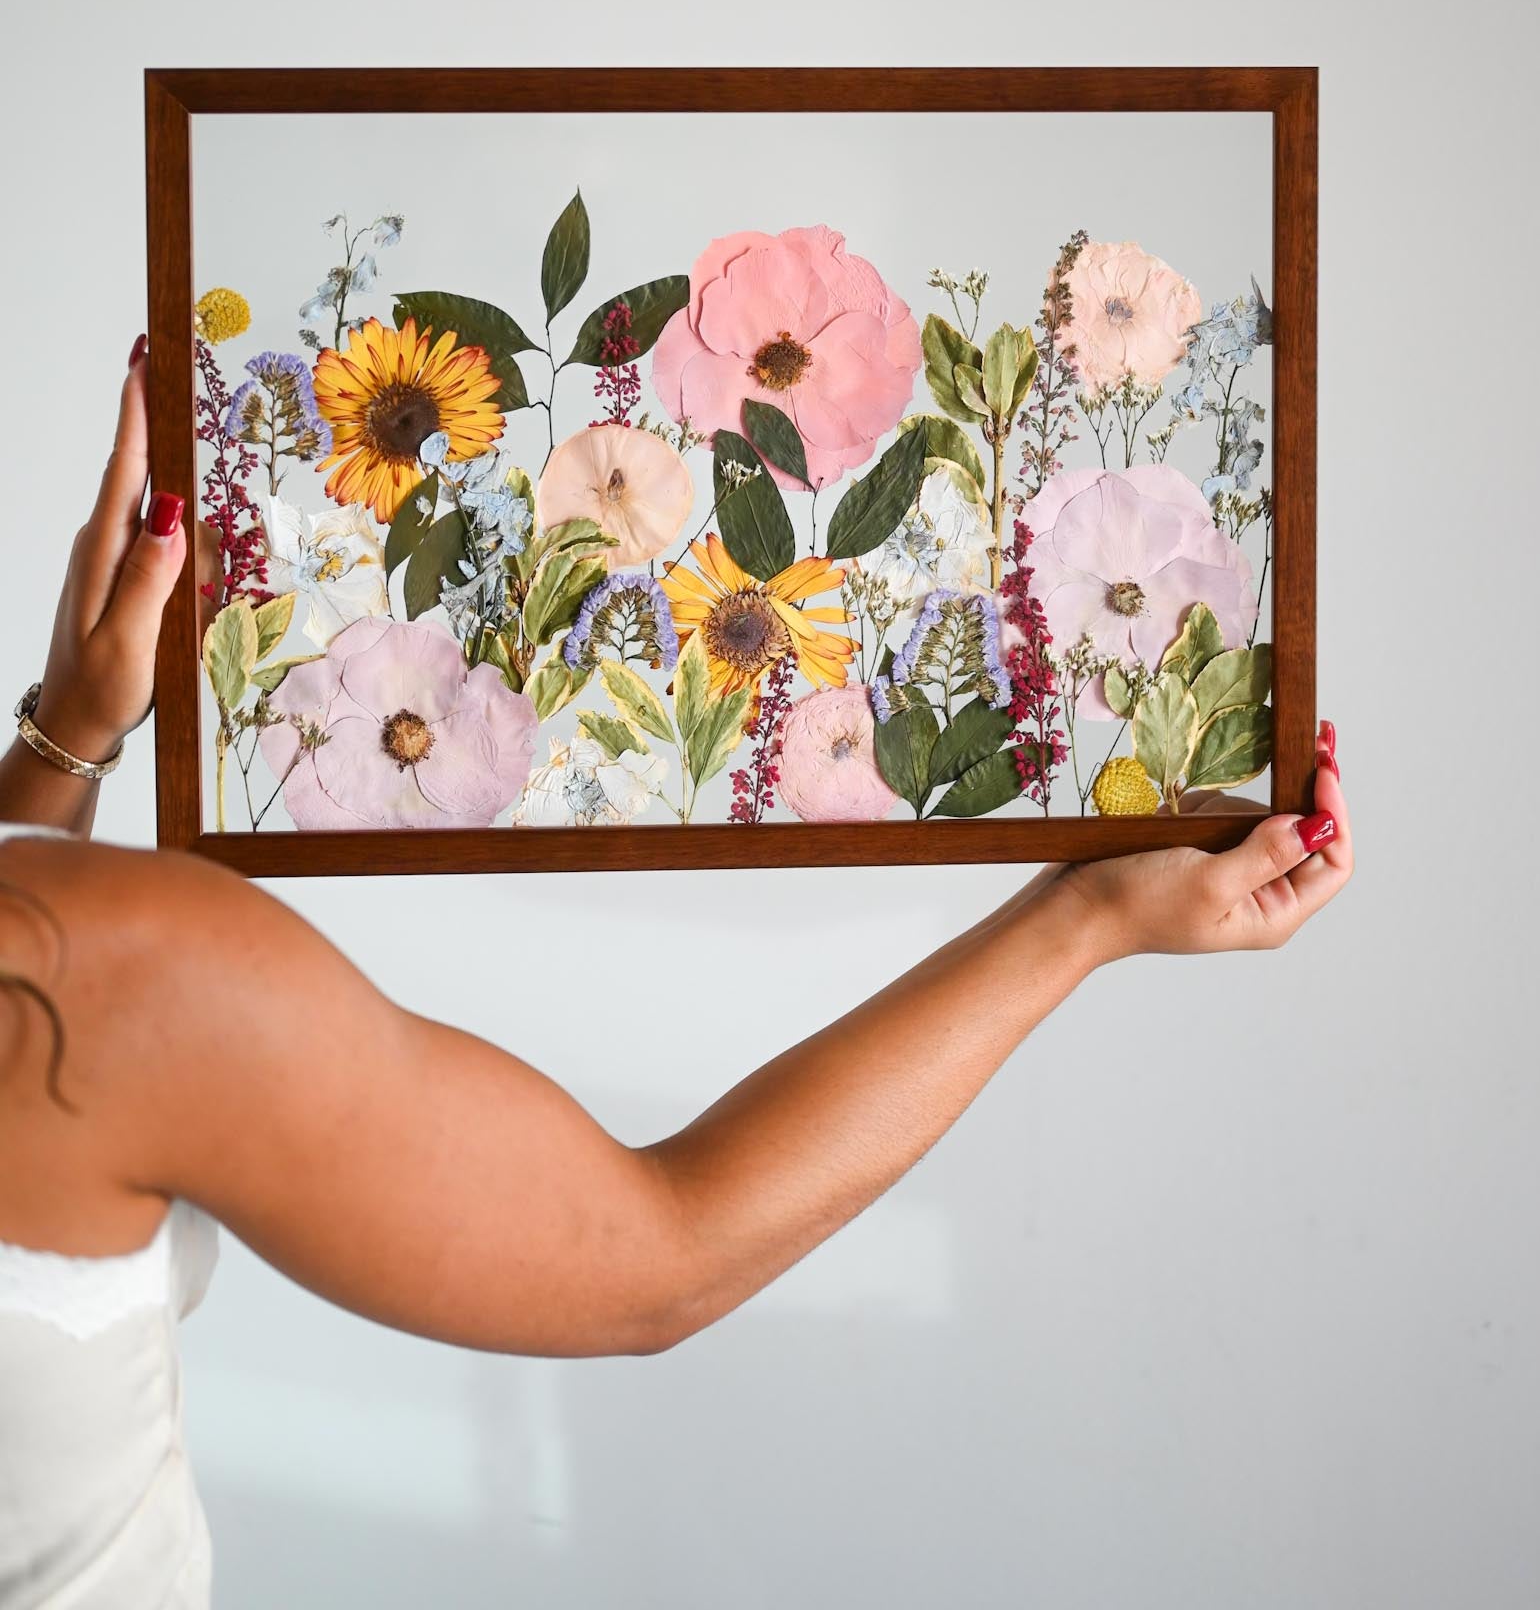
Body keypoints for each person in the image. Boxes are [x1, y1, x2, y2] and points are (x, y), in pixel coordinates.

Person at [0, 340, 1351, 1609]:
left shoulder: (85, 973)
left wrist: (65, 747)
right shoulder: (112, 980)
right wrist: (1084, 917)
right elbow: (656, 1258)